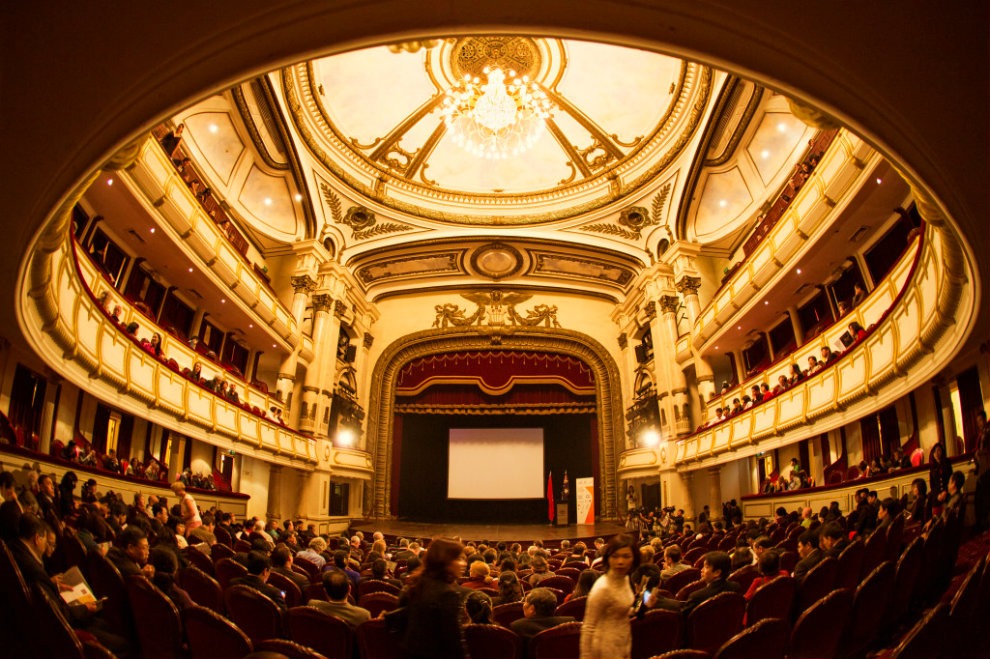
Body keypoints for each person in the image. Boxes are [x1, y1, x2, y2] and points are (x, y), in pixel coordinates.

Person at [399, 537, 468, 659]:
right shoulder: (448, 594)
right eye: (458, 559)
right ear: (445, 561)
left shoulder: (416, 584)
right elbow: (454, 643)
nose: (464, 564)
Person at [580, 533, 638, 659]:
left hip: (623, 641)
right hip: (604, 648)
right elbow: (588, 627)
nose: (620, 562)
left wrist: (637, 609)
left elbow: (619, 610)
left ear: (634, 558)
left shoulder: (625, 579)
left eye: (626, 556)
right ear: (608, 558)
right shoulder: (602, 588)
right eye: (615, 556)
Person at [511, 587, 576, 652]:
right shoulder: (570, 623)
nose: (523, 605)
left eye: (525, 602)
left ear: (532, 608)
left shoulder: (518, 627)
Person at [929, 443, 953, 517]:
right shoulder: (932, 467)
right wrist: (937, 495)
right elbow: (932, 485)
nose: (936, 453)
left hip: (947, 494)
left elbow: (950, 479)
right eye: (935, 451)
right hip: (937, 497)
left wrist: (945, 492)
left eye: (938, 451)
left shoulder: (947, 463)